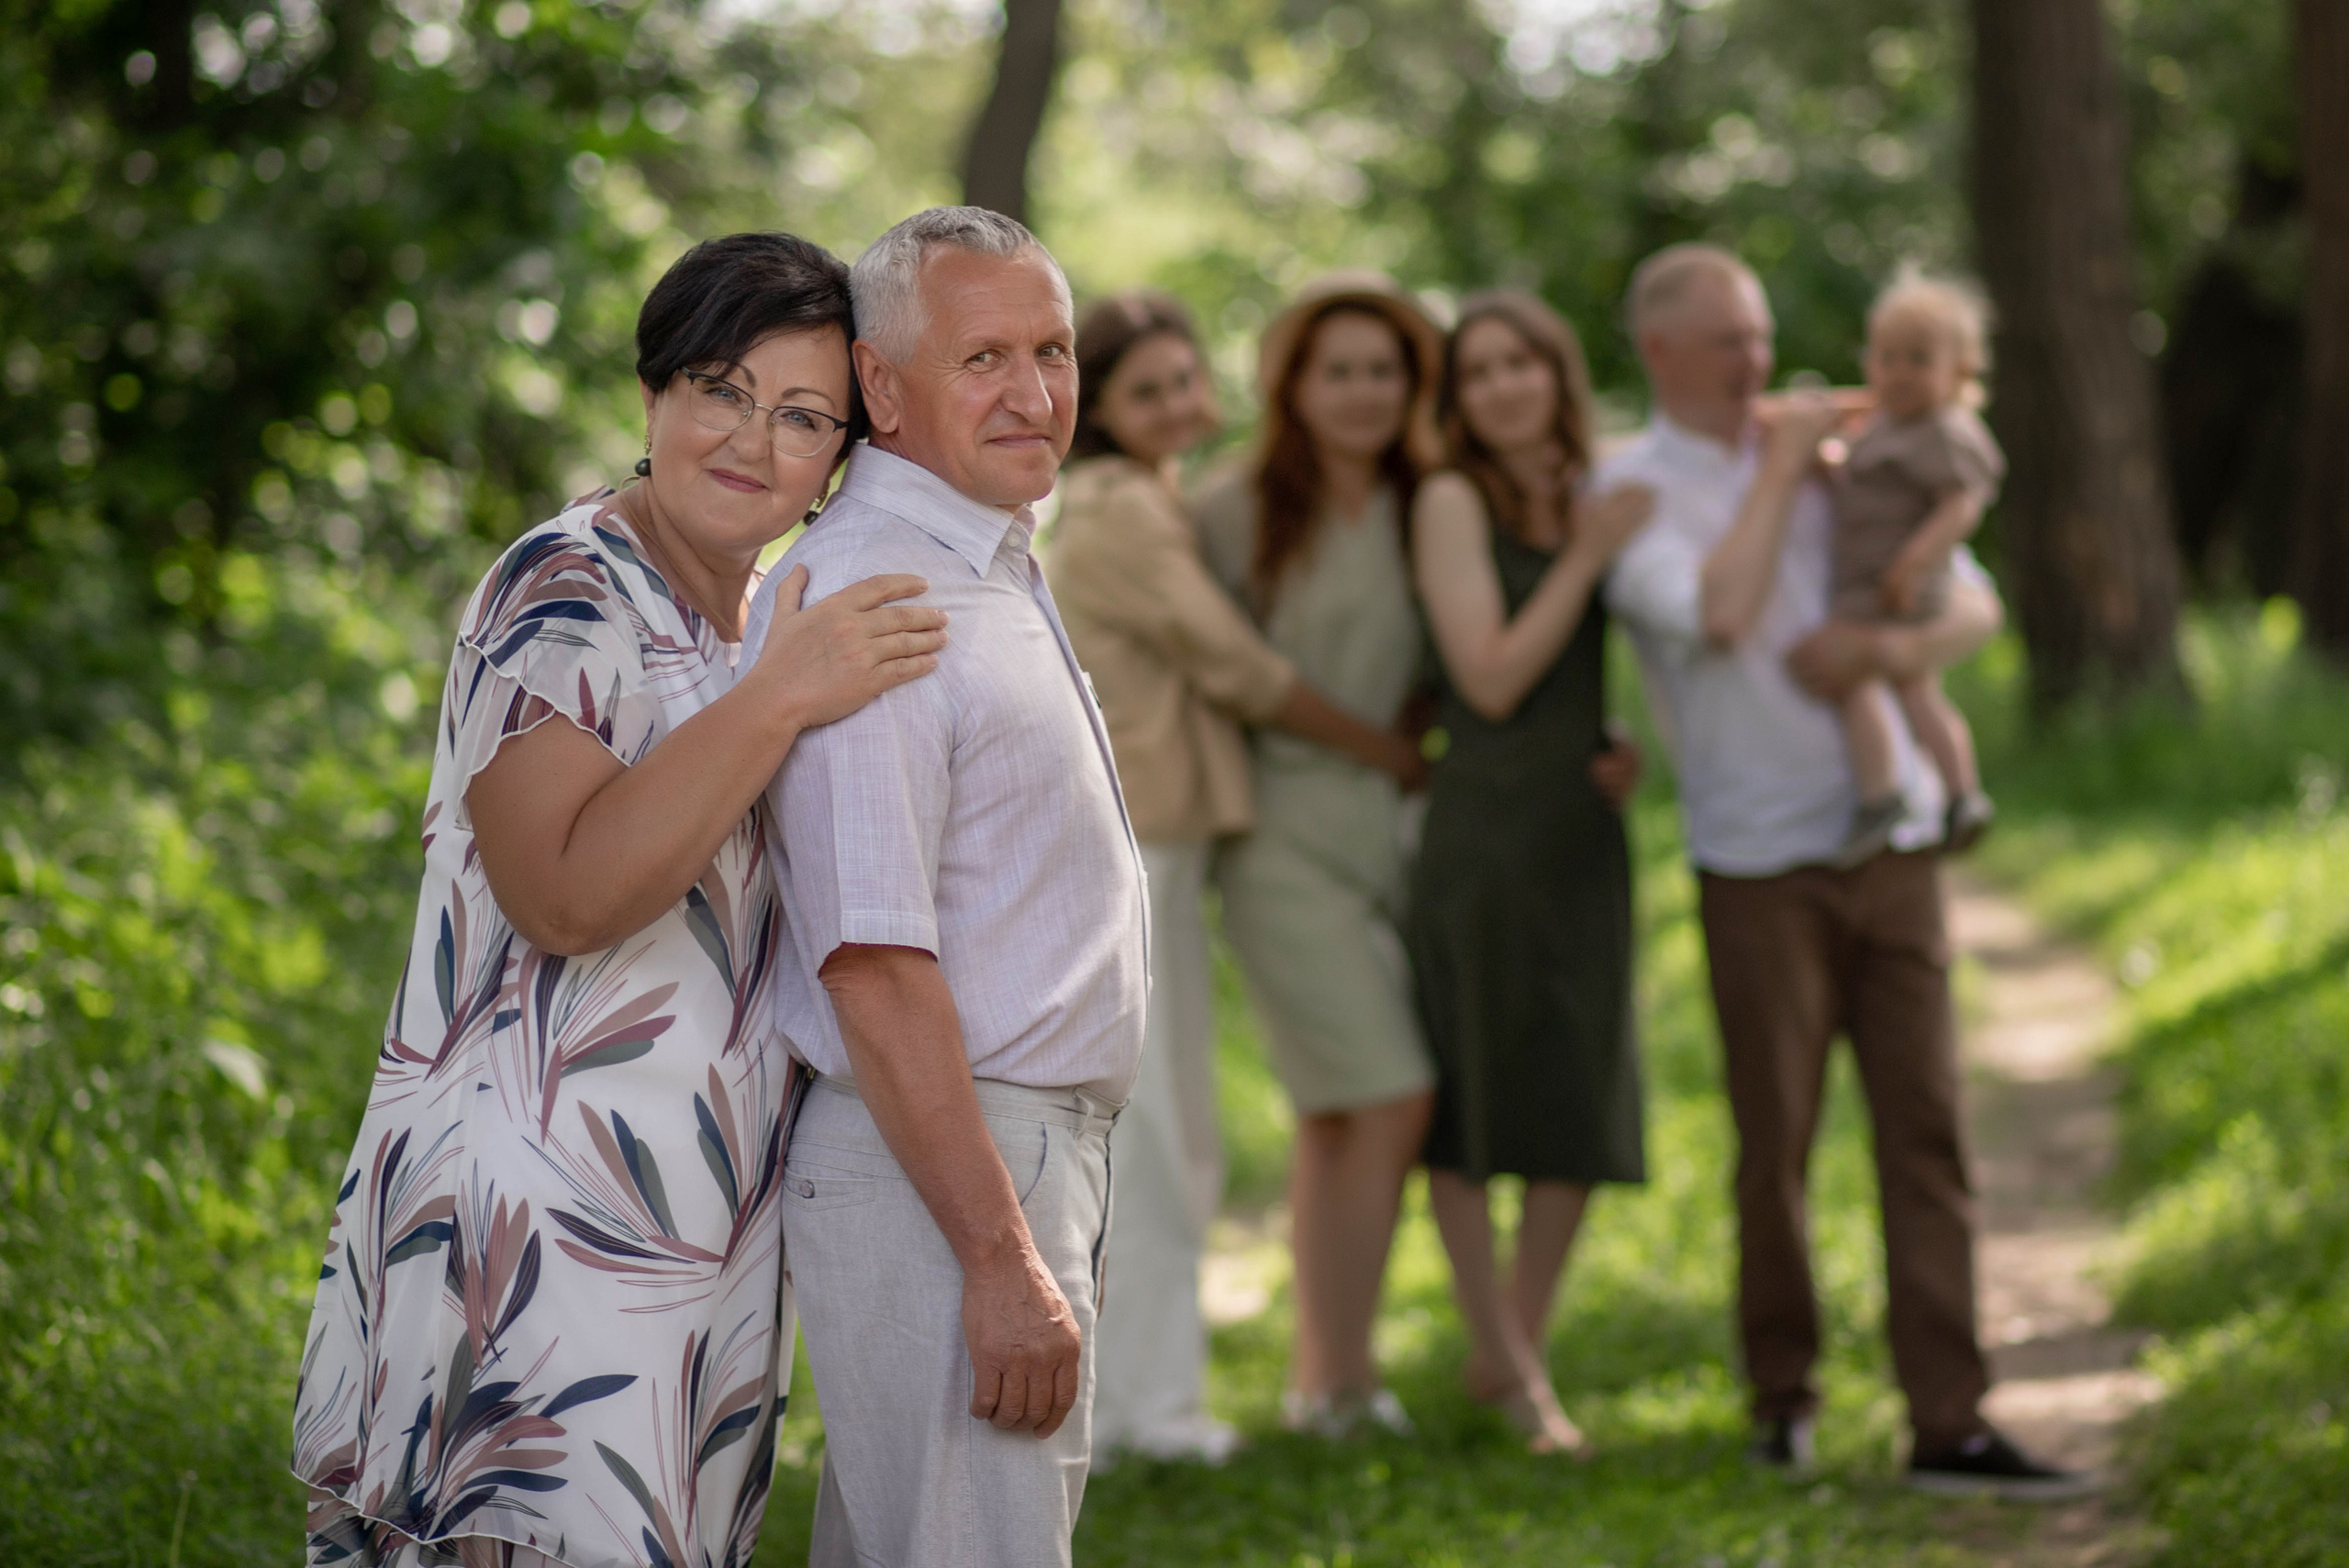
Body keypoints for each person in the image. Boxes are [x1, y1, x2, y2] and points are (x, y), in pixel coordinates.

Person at [291, 232, 950, 1566]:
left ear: (842, 457)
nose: (752, 439)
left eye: (803, 415)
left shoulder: (772, 618)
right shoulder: (568, 585)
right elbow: (569, 897)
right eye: (721, 387)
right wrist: (780, 699)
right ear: (655, 393)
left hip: (691, 1223)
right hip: (530, 1221)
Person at [1599, 242, 2092, 1498]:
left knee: (1928, 1132)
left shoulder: (1854, 459)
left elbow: (1971, 606)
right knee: (1778, 1146)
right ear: (1659, 350)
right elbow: (1715, 614)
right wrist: (1778, 473)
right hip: (1755, 864)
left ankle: (1952, 1422)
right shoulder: (1632, 488)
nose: (1758, 362)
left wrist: (1879, 644)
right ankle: (1784, 1400)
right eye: (1728, 340)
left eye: (1761, 334)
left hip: (1894, 847)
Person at [746, 206, 1146, 1568]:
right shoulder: (880, 588)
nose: (1035, 394)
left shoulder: (989, 560)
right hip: (956, 1168)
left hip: (1001, 1153)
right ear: (882, 387)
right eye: (984, 358)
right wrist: (1000, 1256)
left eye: (1055, 350)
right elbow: (873, 960)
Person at [1048, 292, 1429, 1463]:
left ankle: (1136, 1403)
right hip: (1140, 846)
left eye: (1182, 379)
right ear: (1101, 413)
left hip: (1169, 844)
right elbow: (1238, 667)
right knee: (1157, 1134)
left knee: (1171, 1132)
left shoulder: (1157, 501)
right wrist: (1385, 748)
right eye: (1144, 390)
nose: (1175, 403)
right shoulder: (1120, 511)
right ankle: (1144, 1414)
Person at [1193, 272, 1439, 1438]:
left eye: (1382, 371)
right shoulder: (1232, 508)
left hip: (1391, 839)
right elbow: (1219, 671)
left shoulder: (1432, 500)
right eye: (1335, 369)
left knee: (1339, 1112)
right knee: (1391, 1094)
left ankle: (1324, 1374)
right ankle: (1339, 1374)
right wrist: (1385, 749)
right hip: (1278, 834)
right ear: (1293, 382)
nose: (1360, 393)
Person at [1406, 290, 1653, 1456]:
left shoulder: (1594, 493)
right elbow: (1491, 675)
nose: (1505, 387)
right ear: (1459, 400)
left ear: (1558, 376)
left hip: (1581, 834)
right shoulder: (1452, 500)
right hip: (1485, 834)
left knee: (1574, 1093)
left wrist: (1623, 742)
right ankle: (1507, 1357)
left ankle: (1515, 1350)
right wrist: (1589, 553)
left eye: (1524, 365)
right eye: (1481, 372)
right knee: (1473, 1094)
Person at [1827, 270, 2006, 865]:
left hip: (1898, 583)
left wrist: (1914, 563)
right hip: (1874, 579)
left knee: (1854, 677)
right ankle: (1959, 791)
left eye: (1919, 359)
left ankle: (1884, 793)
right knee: (1915, 689)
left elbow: (1963, 505)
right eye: (1887, 357)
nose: (1899, 372)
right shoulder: (1887, 425)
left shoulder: (1943, 431)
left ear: (1960, 370)